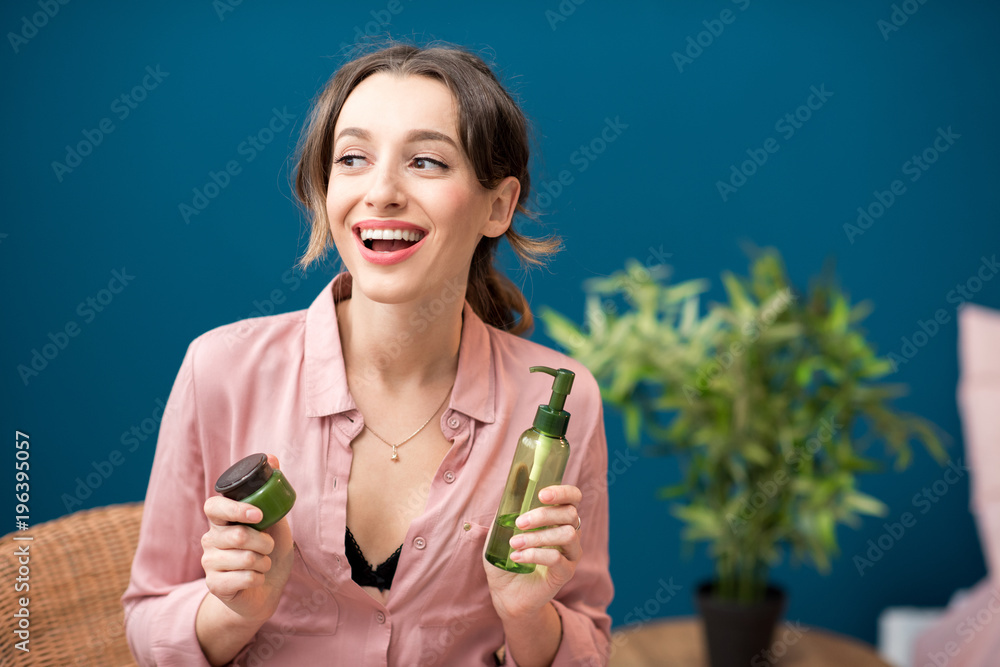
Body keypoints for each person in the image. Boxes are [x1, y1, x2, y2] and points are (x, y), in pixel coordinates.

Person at [121, 40, 613, 667]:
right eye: (352, 158)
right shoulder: (219, 370)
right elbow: (146, 622)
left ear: (499, 205)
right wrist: (233, 611)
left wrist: (528, 616)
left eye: (427, 163)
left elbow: (590, 646)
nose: (381, 191)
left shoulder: (559, 399)